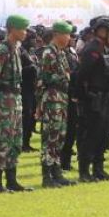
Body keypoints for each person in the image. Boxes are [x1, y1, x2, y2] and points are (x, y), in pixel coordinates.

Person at [0, 14, 31, 193]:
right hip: (5, 98)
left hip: (15, 97)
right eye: (22, 29)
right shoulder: (3, 49)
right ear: (13, 29)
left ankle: (11, 179)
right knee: (3, 139)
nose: (25, 33)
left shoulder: (17, 48)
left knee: (15, 139)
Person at [76, 17, 109, 182]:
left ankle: (98, 169)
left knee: (102, 135)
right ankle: (84, 171)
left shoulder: (104, 49)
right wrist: (83, 96)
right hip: (93, 97)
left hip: (105, 96)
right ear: (101, 31)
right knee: (91, 135)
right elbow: (82, 74)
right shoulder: (92, 48)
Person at [37, 21, 76, 188]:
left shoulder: (60, 53)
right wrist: (64, 78)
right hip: (52, 98)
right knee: (50, 137)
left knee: (59, 136)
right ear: (57, 35)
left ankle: (56, 171)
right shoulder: (49, 53)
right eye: (66, 34)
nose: (69, 38)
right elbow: (44, 78)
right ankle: (47, 175)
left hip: (61, 97)